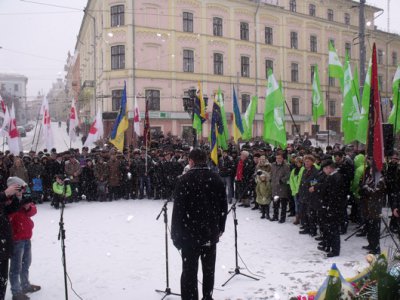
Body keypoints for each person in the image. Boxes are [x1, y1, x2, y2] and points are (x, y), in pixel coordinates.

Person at [171, 149, 227, 300]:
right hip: (209, 233)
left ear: (191, 161)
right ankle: (207, 296)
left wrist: (175, 235)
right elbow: (223, 207)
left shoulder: (184, 180)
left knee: (189, 272)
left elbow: (178, 211)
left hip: (189, 235)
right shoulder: (216, 178)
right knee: (209, 270)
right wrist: (220, 227)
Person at [8, 178, 41, 300]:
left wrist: (27, 206)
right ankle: (16, 292)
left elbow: (33, 211)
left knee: (26, 263)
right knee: (16, 267)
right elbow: (8, 216)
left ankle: (25, 285)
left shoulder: (25, 197)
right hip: (16, 238)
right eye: (19, 188)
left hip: (27, 236)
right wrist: (16, 202)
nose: (22, 191)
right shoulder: (9, 201)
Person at [0, 180, 22, 300]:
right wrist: (4, 194)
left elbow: (7, 210)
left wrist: (17, 198)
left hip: (4, 244)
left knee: (2, 280)